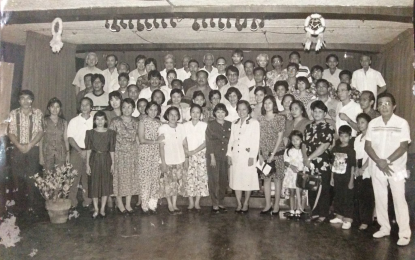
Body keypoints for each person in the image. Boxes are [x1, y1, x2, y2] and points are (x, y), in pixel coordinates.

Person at [365, 93, 411, 246]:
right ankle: (384, 227)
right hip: (377, 166)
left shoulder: (402, 123)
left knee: (399, 199)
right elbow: (368, 146)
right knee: (380, 198)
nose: (384, 106)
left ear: (394, 106)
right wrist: (379, 161)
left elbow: (403, 146)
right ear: (377, 107)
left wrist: (388, 161)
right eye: (381, 104)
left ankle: (404, 234)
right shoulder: (373, 123)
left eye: (387, 103)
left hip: (396, 168)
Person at [8, 90, 44, 213]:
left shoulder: (38, 113)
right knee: (18, 177)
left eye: (28, 98)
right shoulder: (13, 113)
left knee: (32, 176)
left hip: (32, 148)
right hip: (17, 149)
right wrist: (19, 145)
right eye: (22, 98)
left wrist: (29, 145)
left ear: (32, 100)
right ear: (19, 100)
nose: (25, 101)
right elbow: (10, 132)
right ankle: (19, 204)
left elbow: (40, 131)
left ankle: (31, 204)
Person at [302, 100, 335, 223]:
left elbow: (324, 146)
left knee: (323, 188)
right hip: (309, 162)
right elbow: (304, 144)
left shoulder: (328, 127)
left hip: (322, 162)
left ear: (325, 113)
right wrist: (305, 158)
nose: (317, 114)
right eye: (315, 111)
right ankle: (314, 212)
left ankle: (323, 213)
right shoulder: (308, 127)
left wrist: (309, 158)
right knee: (311, 187)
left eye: (320, 112)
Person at [227, 100, 260, 213]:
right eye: (239, 109)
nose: (241, 112)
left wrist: (252, 156)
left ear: (248, 110)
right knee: (236, 179)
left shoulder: (254, 123)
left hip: (247, 156)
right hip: (236, 155)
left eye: (244, 109)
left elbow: (256, 141)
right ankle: (239, 203)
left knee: (247, 179)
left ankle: (246, 202)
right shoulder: (234, 123)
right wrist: (229, 154)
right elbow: (231, 140)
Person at [109, 98, 140, 214]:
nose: (126, 109)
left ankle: (128, 204)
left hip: (132, 153)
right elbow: (110, 140)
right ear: (121, 108)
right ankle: (119, 203)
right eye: (124, 107)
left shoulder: (136, 122)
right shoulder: (115, 121)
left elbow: (137, 138)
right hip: (119, 153)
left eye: (129, 107)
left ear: (133, 109)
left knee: (131, 178)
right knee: (119, 178)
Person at [258, 96, 286, 215]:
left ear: (274, 104)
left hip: (277, 152)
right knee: (266, 180)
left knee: (278, 179)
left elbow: (280, 136)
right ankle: (268, 204)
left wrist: (273, 153)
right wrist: (259, 154)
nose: (267, 105)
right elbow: (258, 137)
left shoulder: (280, 118)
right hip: (264, 153)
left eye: (269, 103)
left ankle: (276, 205)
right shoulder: (260, 119)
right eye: (265, 103)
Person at [85, 111, 116, 219]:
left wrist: (113, 164)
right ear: (94, 121)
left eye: (102, 119)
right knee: (94, 184)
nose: (100, 121)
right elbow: (88, 150)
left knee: (105, 184)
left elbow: (112, 150)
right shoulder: (90, 133)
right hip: (94, 160)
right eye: (97, 119)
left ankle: (102, 208)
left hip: (106, 159)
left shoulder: (111, 133)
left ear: (106, 120)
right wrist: (87, 165)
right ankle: (96, 208)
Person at [159, 106, 188, 214]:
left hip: (179, 159)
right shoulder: (163, 128)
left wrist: (186, 159)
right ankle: (170, 205)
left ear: (178, 117)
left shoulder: (181, 127)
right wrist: (163, 162)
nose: (173, 117)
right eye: (171, 114)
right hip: (167, 160)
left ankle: (175, 204)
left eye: (176, 115)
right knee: (167, 184)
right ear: (167, 116)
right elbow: (161, 147)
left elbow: (185, 144)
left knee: (176, 184)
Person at [67, 97, 93, 209]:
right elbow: (70, 138)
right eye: (82, 105)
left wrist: (87, 152)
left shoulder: (95, 120)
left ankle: (87, 200)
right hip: (76, 151)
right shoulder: (73, 121)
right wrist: (80, 151)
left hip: (91, 152)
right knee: (73, 177)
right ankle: (72, 201)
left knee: (88, 178)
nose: (84, 107)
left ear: (91, 107)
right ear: (79, 107)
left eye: (87, 105)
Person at [137, 101, 163, 213]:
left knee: (155, 178)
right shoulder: (142, 122)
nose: (153, 112)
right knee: (145, 179)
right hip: (145, 153)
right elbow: (142, 140)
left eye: (155, 110)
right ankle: (144, 204)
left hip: (156, 153)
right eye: (151, 109)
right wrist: (156, 141)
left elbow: (163, 139)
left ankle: (153, 204)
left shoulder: (159, 123)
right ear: (146, 110)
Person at [181, 104, 209, 210]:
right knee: (189, 178)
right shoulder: (185, 125)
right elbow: (183, 141)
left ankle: (197, 202)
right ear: (190, 113)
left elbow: (206, 142)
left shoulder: (204, 125)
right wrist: (187, 153)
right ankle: (191, 202)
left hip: (200, 155)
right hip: (188, 155)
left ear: (201, 114)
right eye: (193, 112)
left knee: (200, 178)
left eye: (198, 112)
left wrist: (195, 151)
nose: (195, 114)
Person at [206, 103, 232, 213]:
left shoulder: (230, 124)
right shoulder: (211, 125)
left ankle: (221, 202)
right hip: (214, 156)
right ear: (214, 113)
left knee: (223, 180)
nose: (220, 114)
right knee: (214, 180)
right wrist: (212, 157)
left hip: (225, 156)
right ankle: (214, 203)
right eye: (218, 112)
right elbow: (209, 141)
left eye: (222, 112)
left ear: (225, 113)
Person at [329, 125, 356, 230]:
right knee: (338, 196)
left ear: (350, 137)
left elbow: (353, 166)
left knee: (348, 198)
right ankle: (339, 215)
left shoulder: (351, 150)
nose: (343, 138)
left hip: (347, 177)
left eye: (346, 136)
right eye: (341, 136)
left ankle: (348, 219)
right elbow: (333, 165)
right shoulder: (335, 148)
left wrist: (351, 180)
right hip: (337, 176)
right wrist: (332, 178)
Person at [353, 113, 375, 230]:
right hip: (360, 166)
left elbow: (371, 155)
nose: (360, 125)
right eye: (358, 122)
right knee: (359, 194)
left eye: (362, 122)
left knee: (367, 195)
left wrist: (363, 168)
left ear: (368, 123)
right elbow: (357, 156)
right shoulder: (357, 138)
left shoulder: (371, 137)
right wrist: (357, 167)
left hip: (369, 166)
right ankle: (359, 218)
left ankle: (367, 221)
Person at [40, 97, 69, 173]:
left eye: (57, 107)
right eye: (52, 106)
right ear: (49, 108)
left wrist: (68, 154)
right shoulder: (44, 121)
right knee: (47, 177)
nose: (55, 109)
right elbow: (41, 139)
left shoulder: (64, 122)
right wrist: (41, 156)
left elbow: (66, 139)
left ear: (60, 108)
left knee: (60, 177)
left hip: (61, 154)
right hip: (47, 153)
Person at [282, 130, 304, 219]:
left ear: (301, 140)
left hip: (300, 174)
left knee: (300, 192)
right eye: (293, 140)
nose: (295, 142)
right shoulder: (288, 150)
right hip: (291, 174)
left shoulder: (304, 150)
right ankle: (291, 209)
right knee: (292, 192)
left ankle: (298, 209)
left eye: (297, 139)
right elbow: (286, 161)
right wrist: (291, 166)